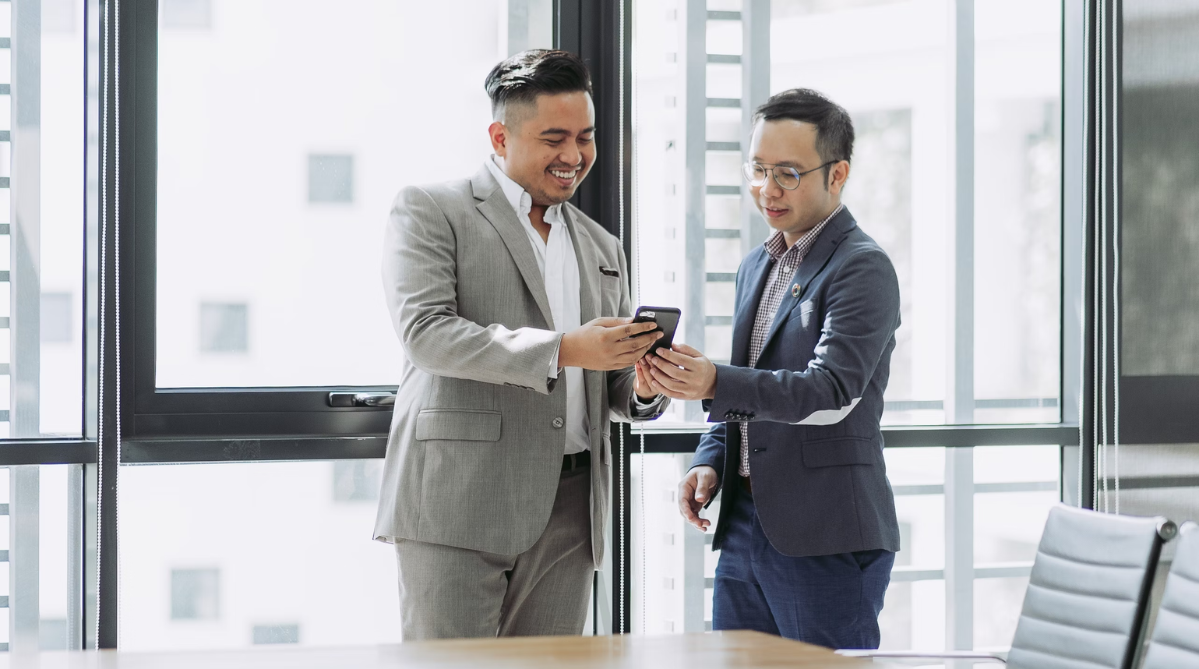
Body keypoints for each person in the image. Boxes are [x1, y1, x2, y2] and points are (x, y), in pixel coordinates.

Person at [373, 49, 668, 640]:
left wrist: (642, 385)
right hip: (459, 500)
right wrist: (564, 349)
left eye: (585, 137)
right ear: (500, 137)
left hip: (573, 511)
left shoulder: (603, 246)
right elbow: (427, 334)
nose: (574, 156)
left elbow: (605, 381)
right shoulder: (432, 210)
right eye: (554, 138)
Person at [640, 88, 900, 649]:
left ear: (838, 174)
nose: (767, 189)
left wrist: (713, 380)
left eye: (787, 173)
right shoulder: (757, 264)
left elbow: (831, 391)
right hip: (744, 525)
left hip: (825, 533)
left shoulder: (862, 267)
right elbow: (749, 387)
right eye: (758, 170)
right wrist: (710, 460)